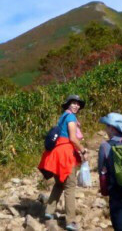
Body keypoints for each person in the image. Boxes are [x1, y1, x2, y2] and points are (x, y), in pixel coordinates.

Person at [38, 95, 88, 231]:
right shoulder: (71, 118)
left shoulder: (63, 117)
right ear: (68, 104)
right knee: (70, 186)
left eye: (78, 104)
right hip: (66, 154)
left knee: (60, 183)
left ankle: (49, 211)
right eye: (73, 103)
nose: (76, 106)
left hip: (56, 154)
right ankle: (71, 221)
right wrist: (83, 151)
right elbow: (72, 138)